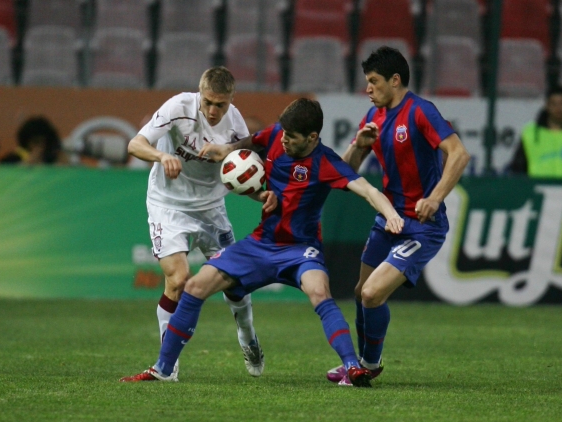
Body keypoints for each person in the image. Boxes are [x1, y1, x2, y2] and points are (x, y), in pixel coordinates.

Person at [120, 98, 405, 387]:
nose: (283, 140)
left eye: (291, 138)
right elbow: (250, 141)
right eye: (282, 133)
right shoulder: (276, 135)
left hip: (301, 250)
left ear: (312, 138)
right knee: (194, 286)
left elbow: (368, 191)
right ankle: (164, 369)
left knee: (320, 292)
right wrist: (228, 150)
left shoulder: (326, 162)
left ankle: (353, 368)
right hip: (261, 243)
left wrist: (391, 214)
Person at [325, 46, 470, 383]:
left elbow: (459, 154)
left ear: (395, 80)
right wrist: (359, 145)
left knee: (374, 294)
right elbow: (344, 174)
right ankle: (360, 362)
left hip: (422, 226)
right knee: (362, 292)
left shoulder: (421, 111)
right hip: (389, 220)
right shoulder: (372, 118)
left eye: (374, 82)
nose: (368, 89)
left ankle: (369, 366)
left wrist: (435, 197)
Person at [126, 66, 273, 380]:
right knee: (178, 280)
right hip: (168, 205)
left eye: (220, 104)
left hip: (211, 209)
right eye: (208, 102)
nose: (213, 110)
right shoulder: (178, 108)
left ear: (231, 100)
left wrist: (258, 195)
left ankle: (247, 337)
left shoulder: (235, 125)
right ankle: (168, 364)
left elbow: (239, 174)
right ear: (199, 93)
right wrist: (160, 156)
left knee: (237, 284)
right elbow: (135, 144)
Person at [0, 116, 64, 164]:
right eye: (36, 142)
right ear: (27, 142)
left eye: (44, 141)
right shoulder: (12, 159)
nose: (41, 146)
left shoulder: (52, 159)